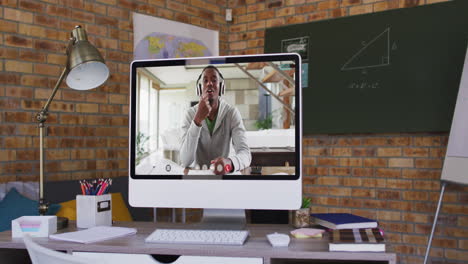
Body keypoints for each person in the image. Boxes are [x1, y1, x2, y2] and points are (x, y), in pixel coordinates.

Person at [180, 65, 251, 175]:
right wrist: (197, 120)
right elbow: (185, 160)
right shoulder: (190, 114)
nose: (209, 83)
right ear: (199, 88)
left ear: (221, 87)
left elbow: (245, 153)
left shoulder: (231, 113)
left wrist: (229, 163)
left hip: (222, 177)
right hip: (198, 177)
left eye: (214, 80)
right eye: (205, 81)